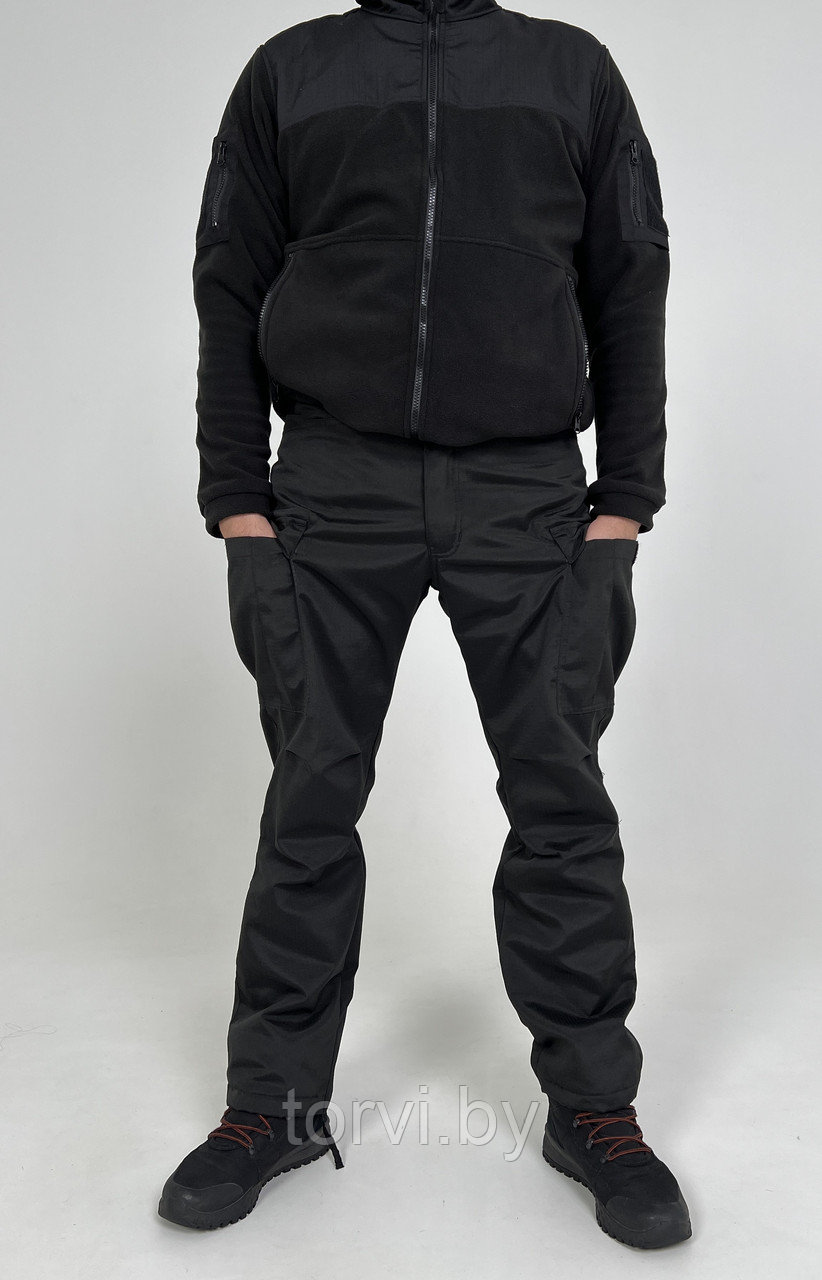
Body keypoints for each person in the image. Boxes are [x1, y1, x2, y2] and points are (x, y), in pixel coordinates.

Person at [158, 0, 692, 1250]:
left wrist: (627, 499)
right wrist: (237, 500)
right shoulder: (291, 72)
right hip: (332, 480)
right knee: (310, 795)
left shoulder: (572, 72)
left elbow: (631, 277)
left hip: (529, 487)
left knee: (560, 793)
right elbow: (227, 284)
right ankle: (273, 1107)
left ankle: (594, 1109)